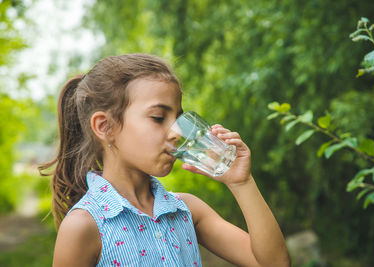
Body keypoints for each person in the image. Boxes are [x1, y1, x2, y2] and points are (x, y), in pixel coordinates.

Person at [40, 53, 290, 267]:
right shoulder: (84, 226)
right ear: (105, 126)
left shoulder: (187, 210)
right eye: (159, 117)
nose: (177, 132)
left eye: (178, 118)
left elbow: (275, 263)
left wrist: (242, 182)